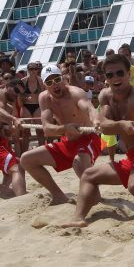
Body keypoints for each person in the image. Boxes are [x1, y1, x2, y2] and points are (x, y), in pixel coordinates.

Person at [62, 54, 134, 228]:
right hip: (133, 155)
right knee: (88, 176)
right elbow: (104, 126)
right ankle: (78, 218)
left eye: (120, 73)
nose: (115, 78)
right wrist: (121, 125)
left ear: (129, 74)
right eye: (110, 74)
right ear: (105, 78)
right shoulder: (105, 96)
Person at [20, 65, 101, 204]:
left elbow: (89, 108)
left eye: (57, 79)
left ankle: (95, 195)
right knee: (26, 159)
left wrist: (96, 121)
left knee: (79, 163)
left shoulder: (75, 92)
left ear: (63, 79)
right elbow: (47, 129)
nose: (55, 84)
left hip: (88, 139)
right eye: (49, 82)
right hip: (67, 141)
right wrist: (66, 128)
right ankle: (58, 196)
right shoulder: (44, 98)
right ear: (44, 85)